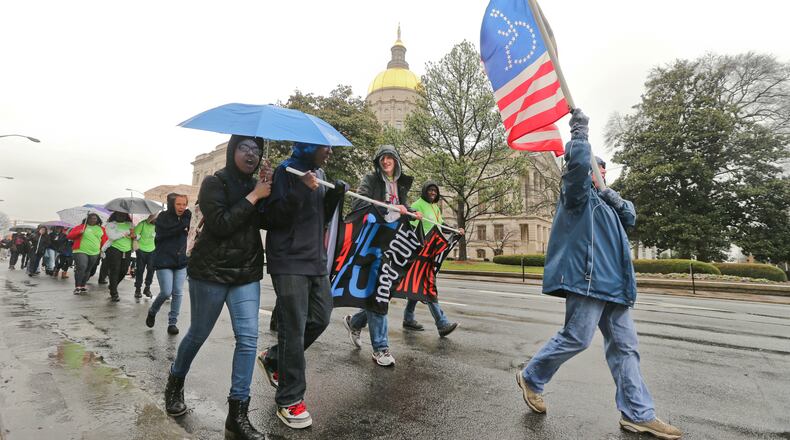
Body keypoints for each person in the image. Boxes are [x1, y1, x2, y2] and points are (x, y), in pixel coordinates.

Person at [515, 110, 682, 440]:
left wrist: (616, 198)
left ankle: (637, 413)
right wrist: (579, 136)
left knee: (626, 349)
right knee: (576, 337)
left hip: (616, 288)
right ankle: (532, 376)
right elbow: (576, 169)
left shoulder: (607, 204)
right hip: (588, 281)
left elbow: (631, 217)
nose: (600, 171)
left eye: (603, 168)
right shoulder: (576, 198)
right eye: (595, 167)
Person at [164, 135, 271, 440]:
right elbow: (221, 224)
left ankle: (237, 414)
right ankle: (175, 381)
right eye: (244, 148)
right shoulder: (214, 183)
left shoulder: (259, 185)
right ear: (233, 152)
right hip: (210, 271)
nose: (251, 154)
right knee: (198, 333)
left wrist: (272, 191)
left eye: (256, 150)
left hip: (246, 272)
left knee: (249, 339)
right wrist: (254, 196)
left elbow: (270, 221)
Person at [257, 143, 345, 429]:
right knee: (292, 329)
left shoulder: (319, 171)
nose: (329, 152)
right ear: (309, 146)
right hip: (289, 259)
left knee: (321, 317)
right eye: (326, 147)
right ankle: (289, 399)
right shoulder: (286, 170)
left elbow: (319, 216)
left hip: (314, 259)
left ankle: (273, 358)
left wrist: (334, 196)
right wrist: (300, 189)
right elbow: (271, 218)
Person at [341, 145, 421, 367]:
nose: (386, 161)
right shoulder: (370, 179)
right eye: (382, 158)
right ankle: (380, 348)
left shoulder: (401, 183)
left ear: (396, 160)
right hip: (373, 242)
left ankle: (355, 322)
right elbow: (359, 202)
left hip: (393, 243)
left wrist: (412, 213)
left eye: (390, 158)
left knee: (381, 292)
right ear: (378, 161)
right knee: (380, 291)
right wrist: (388, 207)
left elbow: (401, 208)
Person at [401, 181, 462, 337]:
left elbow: (440, 224)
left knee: (417, 286)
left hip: (430, 253)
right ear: (424, 191)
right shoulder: (419, 204)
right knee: (427, 286)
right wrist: (413, 214)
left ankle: (408, 318)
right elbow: (410, 220)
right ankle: (442, 324)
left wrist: (455, 230)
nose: (433, 192)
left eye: (435, 190)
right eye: (430, 190)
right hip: (418, 253)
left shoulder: (435, 207)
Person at [146, 193, 191, 335]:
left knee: (178, 292)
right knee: (166, 291)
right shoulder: (163, 217)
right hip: (164, 259)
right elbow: (163, 234)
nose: (182, 207)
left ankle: (172, 322)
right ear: (172, 204)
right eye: (178, 204)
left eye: (184, 204)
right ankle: (152, 311)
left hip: (181, 260)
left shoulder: (188, 216)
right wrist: (182, 226)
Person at [67, 213, 107, 294]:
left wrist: (103, 250)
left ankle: (82, 286)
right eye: (91, 218)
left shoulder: (101, 229)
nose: (93, 220)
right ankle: (77, 287)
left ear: (98, 220)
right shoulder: (81, 227)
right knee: (82, 267)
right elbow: (69, 236)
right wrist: (78, 232)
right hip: (80, 250)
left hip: (95, 252)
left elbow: (105, 240)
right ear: (87, 219)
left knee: (88, 269)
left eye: (95, 218)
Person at [103, 212, 135, 302]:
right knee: (115, 270)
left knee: (124, 270)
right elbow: (112, 237)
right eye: (119, 214)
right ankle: (114, 293)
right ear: (115, 215)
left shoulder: (130, 224)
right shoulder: (110, 225)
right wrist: (125, 233)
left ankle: (113, 285)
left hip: (127, 250)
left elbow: (136, 236)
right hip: (114, 249)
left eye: (123, 214)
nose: (121, 216)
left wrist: (134, 235)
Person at [134, 214, 157, 298]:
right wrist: (137, 236)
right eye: (156, 219)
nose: (157, 221)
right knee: (140, 270)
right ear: (151, 219)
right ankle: (138, 289)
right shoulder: (142, 224)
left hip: (152, 250)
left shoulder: (157, 226)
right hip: (141, 250)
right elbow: (135, 236)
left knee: (151, 269)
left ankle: (147, 288)